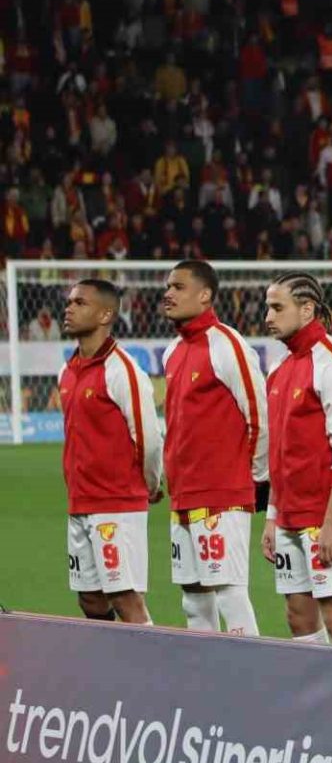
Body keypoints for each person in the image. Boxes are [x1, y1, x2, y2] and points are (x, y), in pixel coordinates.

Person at [161, 260, 269, 635]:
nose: (168, 293)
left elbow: (259, 416)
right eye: (168, 286)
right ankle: (204, 670)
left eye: (178, 287)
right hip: (183, 494)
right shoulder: (173, 351)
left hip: (223, 492)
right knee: (193, 598)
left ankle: (250, 670)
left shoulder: (227, 345)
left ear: (205, 295)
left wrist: (255, 477)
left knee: (229, 594)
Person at [260, 272, 332, 648]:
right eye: (268, 308)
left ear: (306, 310)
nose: (268, 317)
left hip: (325, 516)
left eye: (277, 308)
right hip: (289, 515)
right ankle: (318, 686)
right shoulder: (279, 369)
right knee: (298, 615)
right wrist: (272, 516)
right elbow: (280, 454)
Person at [59, 279, 162, 624]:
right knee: (90, 598)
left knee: (125, 598)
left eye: (80, 303)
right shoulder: (67, 371)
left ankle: (150, 660)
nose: (69, 308)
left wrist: (151, 483)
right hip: (80, 502)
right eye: (69, 302)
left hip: (117, 503)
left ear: (105, 315)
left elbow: (148, 437)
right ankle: (106, 659)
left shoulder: (122, 370)